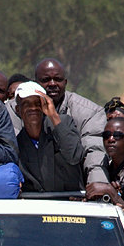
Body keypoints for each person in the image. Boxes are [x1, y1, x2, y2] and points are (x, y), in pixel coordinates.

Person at [33, 58, 109, 195]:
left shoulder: (89, 112)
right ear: (35, 83)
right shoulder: (18, 108)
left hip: (73, 192)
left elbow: (95, 155)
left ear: (65, 82)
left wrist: (98, 188)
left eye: (58, 79)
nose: (52, 84)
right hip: (30, 194)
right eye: (45, 80)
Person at [11, 81, 91, 194]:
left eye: (38, 103)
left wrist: (53, 116)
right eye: (27, 104)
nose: (33, 108)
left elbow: (74, 156)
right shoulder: (19, 143)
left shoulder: (63, 123)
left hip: (70, 202)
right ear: (18, 110)